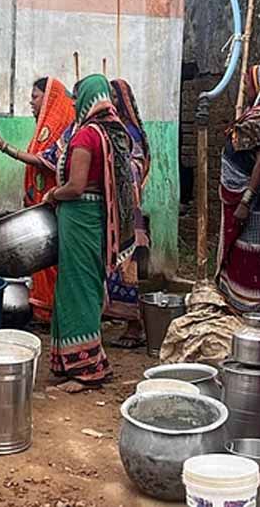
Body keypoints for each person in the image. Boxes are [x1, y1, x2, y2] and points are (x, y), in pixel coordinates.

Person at [44, 74, 134, 393]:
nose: (73, 104)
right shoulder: (110, 133)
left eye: (76, 97)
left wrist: (53, 194)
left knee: (77, 289)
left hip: (80, 218)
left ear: (86, 99)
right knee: (86, 287)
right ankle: (73, 362)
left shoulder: (86, 135)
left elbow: (76, 186)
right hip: (96, 219)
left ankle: (86, 370)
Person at [0, 77, 75, 325]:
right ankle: (45, 309)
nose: (31, 102)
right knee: (42, 257)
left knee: (52, 256)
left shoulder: (61, 127)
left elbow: (46, 160)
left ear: (49, 99)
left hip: (55, 204)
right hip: (45, 204)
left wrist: (7, 148)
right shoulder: (49, 126)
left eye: (35, 97)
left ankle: (53, 311)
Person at [216, 64, 260, 314]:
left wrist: (246, 200)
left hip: (252, 200)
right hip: (247, 196)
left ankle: (250, 308)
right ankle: (242, 303)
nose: (245, 88)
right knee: (243, 250)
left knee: (252, 251)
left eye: (248, 84)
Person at [107, 79, 150, 348]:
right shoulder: (112, 129)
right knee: (115, 268)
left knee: (129, 268)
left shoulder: (129, 132)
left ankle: (135, 327)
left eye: (114, 96)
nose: (110, 101)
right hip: (113, 211)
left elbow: (136, 166)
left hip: (128, 212)